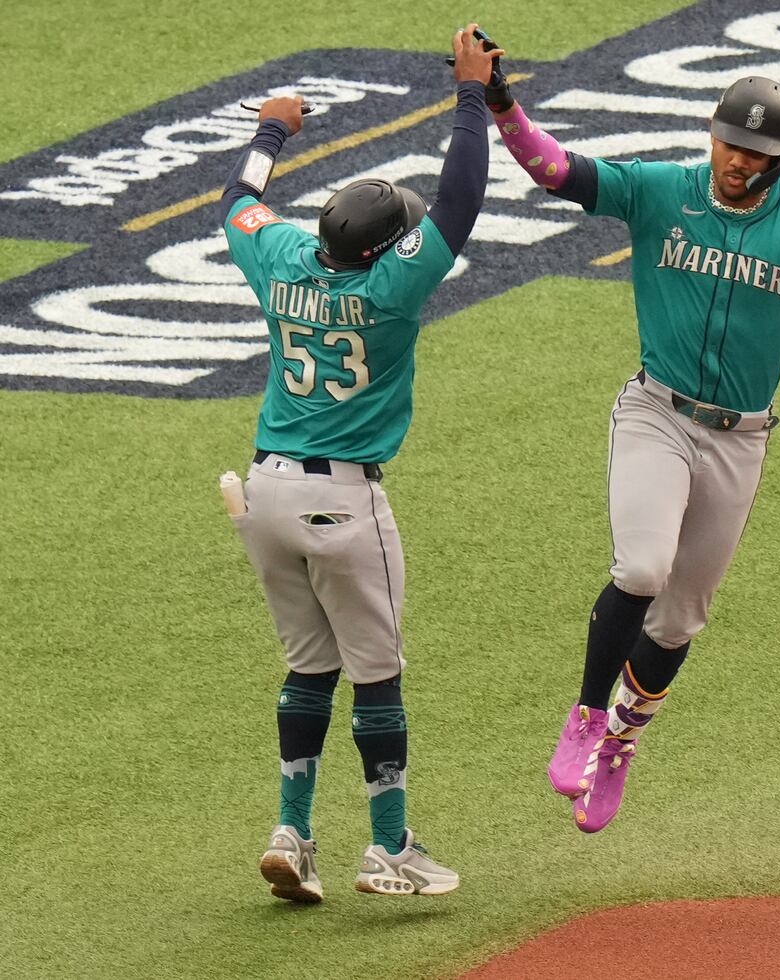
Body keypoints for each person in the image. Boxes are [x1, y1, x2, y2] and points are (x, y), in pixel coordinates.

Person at [484, 71, 780, 833]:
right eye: (730, 144)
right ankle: (587, 714)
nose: (738, 162)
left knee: (681, 619)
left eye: (755, 153)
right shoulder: (660, 190)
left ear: (779, 158)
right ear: (711, 135)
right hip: (657, 413)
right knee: (643, 569)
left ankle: (621, 742)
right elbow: (556, 171)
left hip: (740, 440)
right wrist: (501, 106)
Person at [219, 25, 503, 901]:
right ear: (387, 252)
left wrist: (271, 130)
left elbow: (236, 200)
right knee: (376, 678)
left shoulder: (282, 258)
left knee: (310, 668)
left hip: (263, 494)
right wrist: (468, 93)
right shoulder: (389, 291)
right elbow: (460, 199)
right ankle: (389, 847)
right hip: (345, 506)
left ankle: (291, 830)